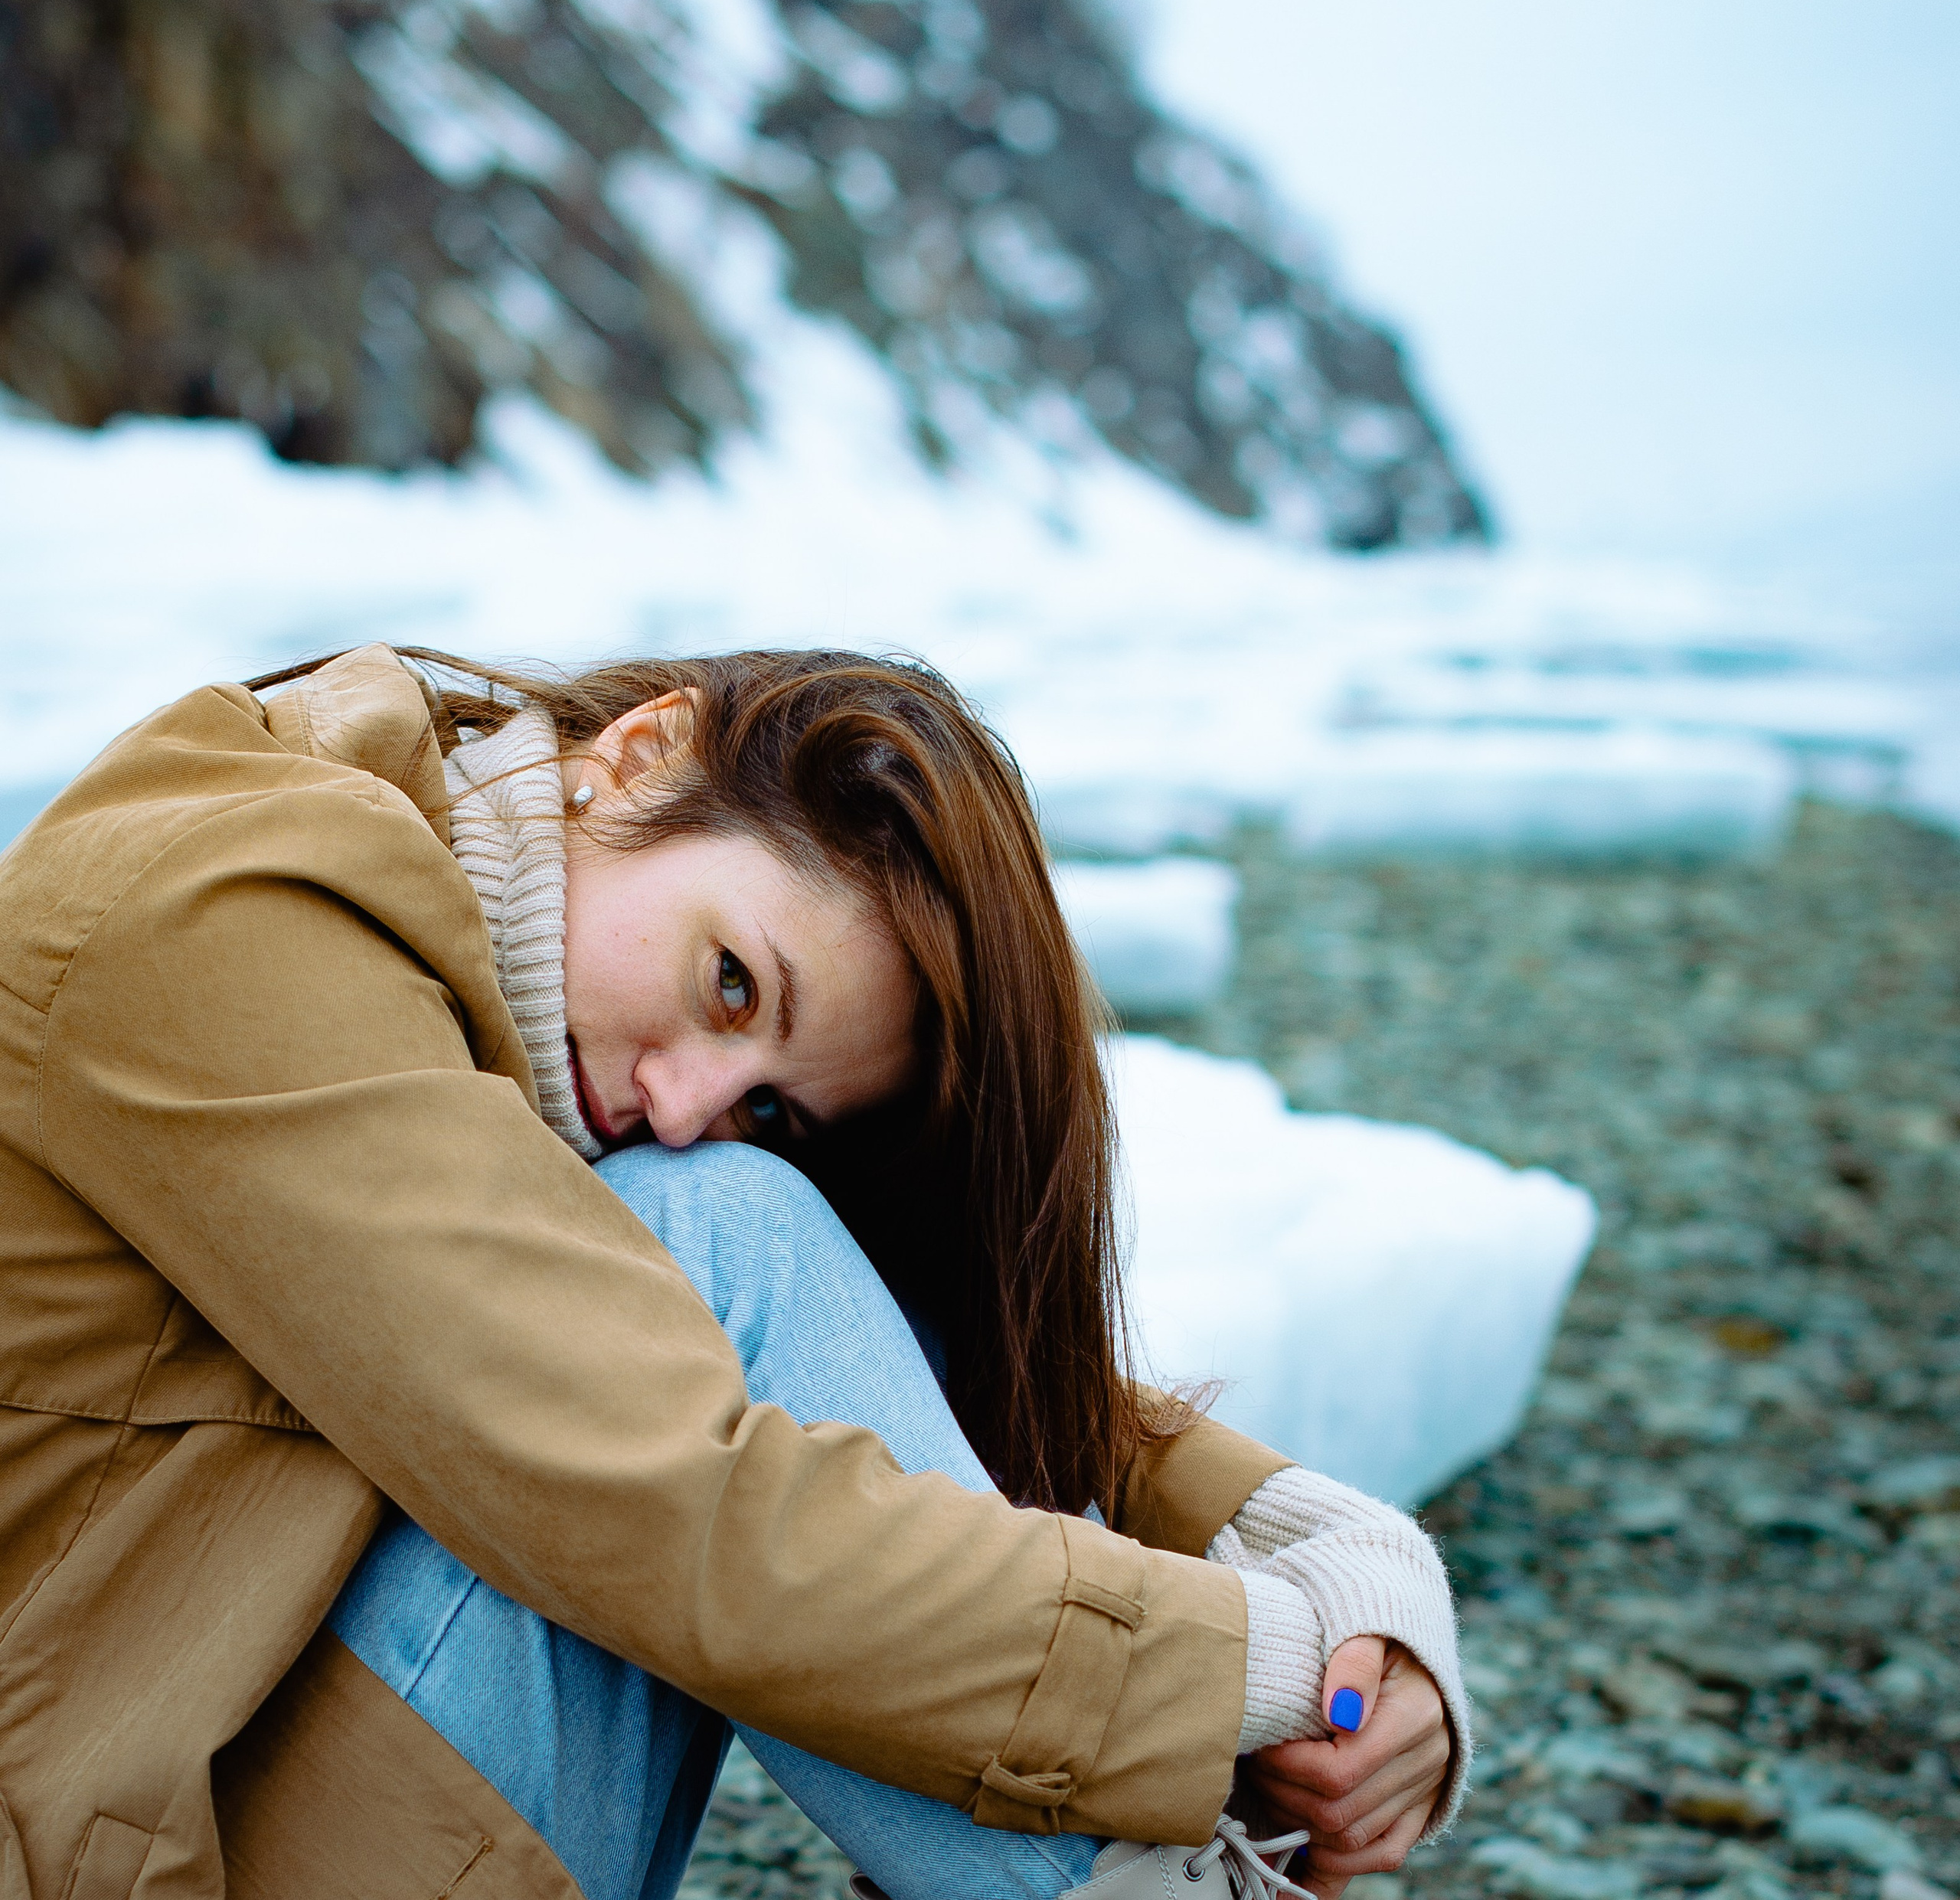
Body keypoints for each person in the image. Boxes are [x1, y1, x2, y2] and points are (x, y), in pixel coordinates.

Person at [0, 641, 1470, 1900]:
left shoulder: (492, 980)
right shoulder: (223, 905)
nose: (689, 1101)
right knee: (722, 1227)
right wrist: (1255, 1670)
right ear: (642, 753)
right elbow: (659, 1484)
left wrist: (1328, 1553)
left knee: (724, 1227)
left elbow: (923, 1349)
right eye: (731, 982)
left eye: (771, 1102)